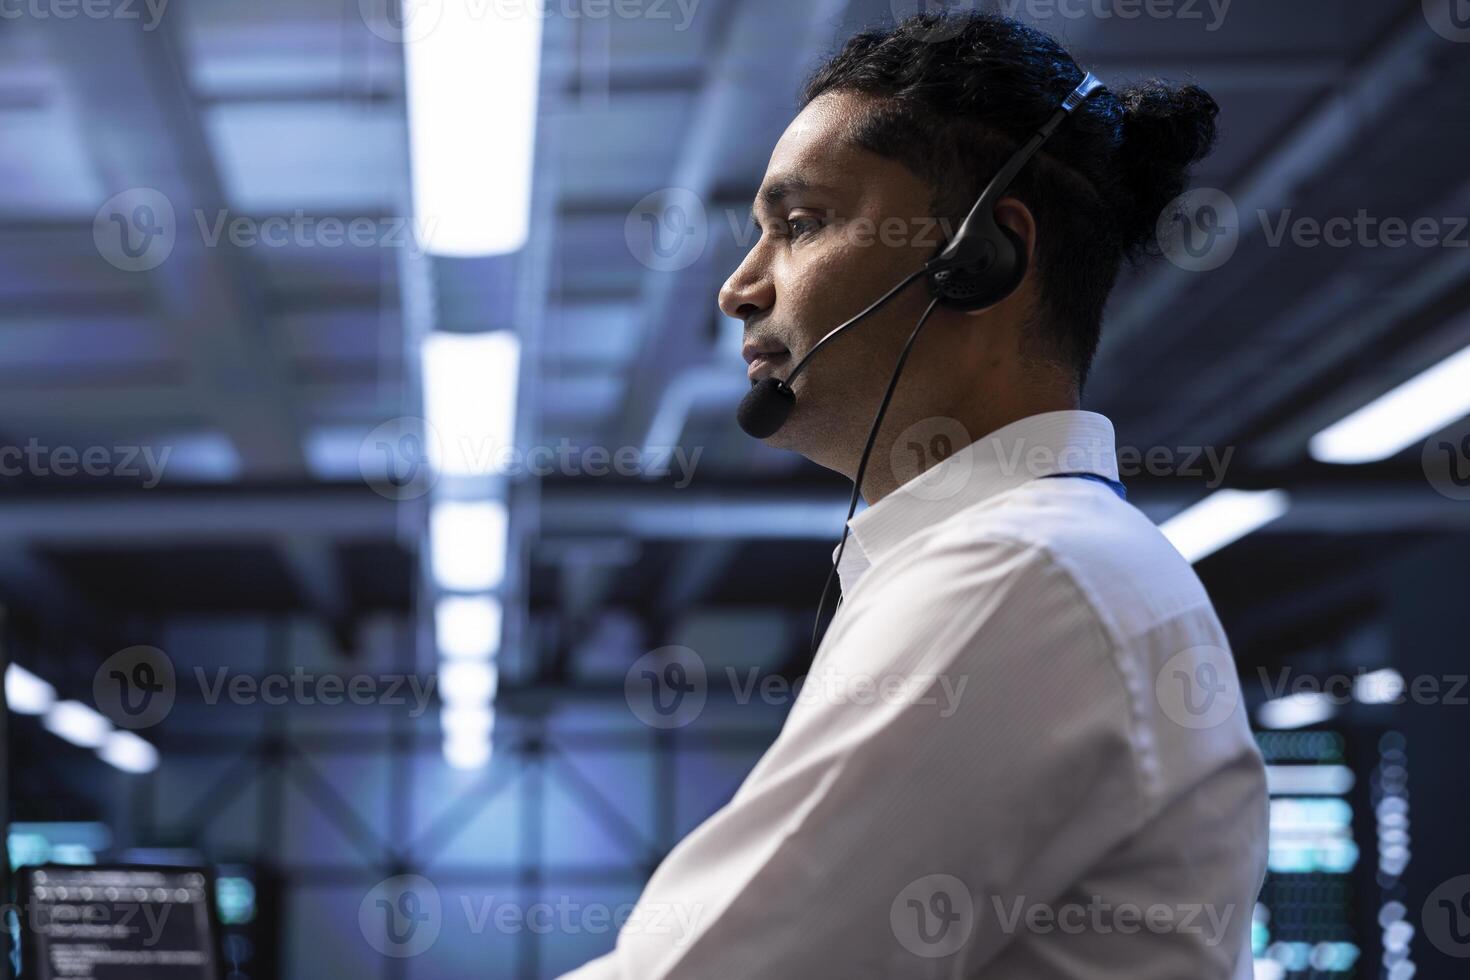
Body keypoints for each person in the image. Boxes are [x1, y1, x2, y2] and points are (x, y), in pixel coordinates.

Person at [563, 11, 1266, 978]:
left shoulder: (1019, 574)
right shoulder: (1031, 559)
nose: (738, 288)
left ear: (981, 261)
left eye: (799, 225)